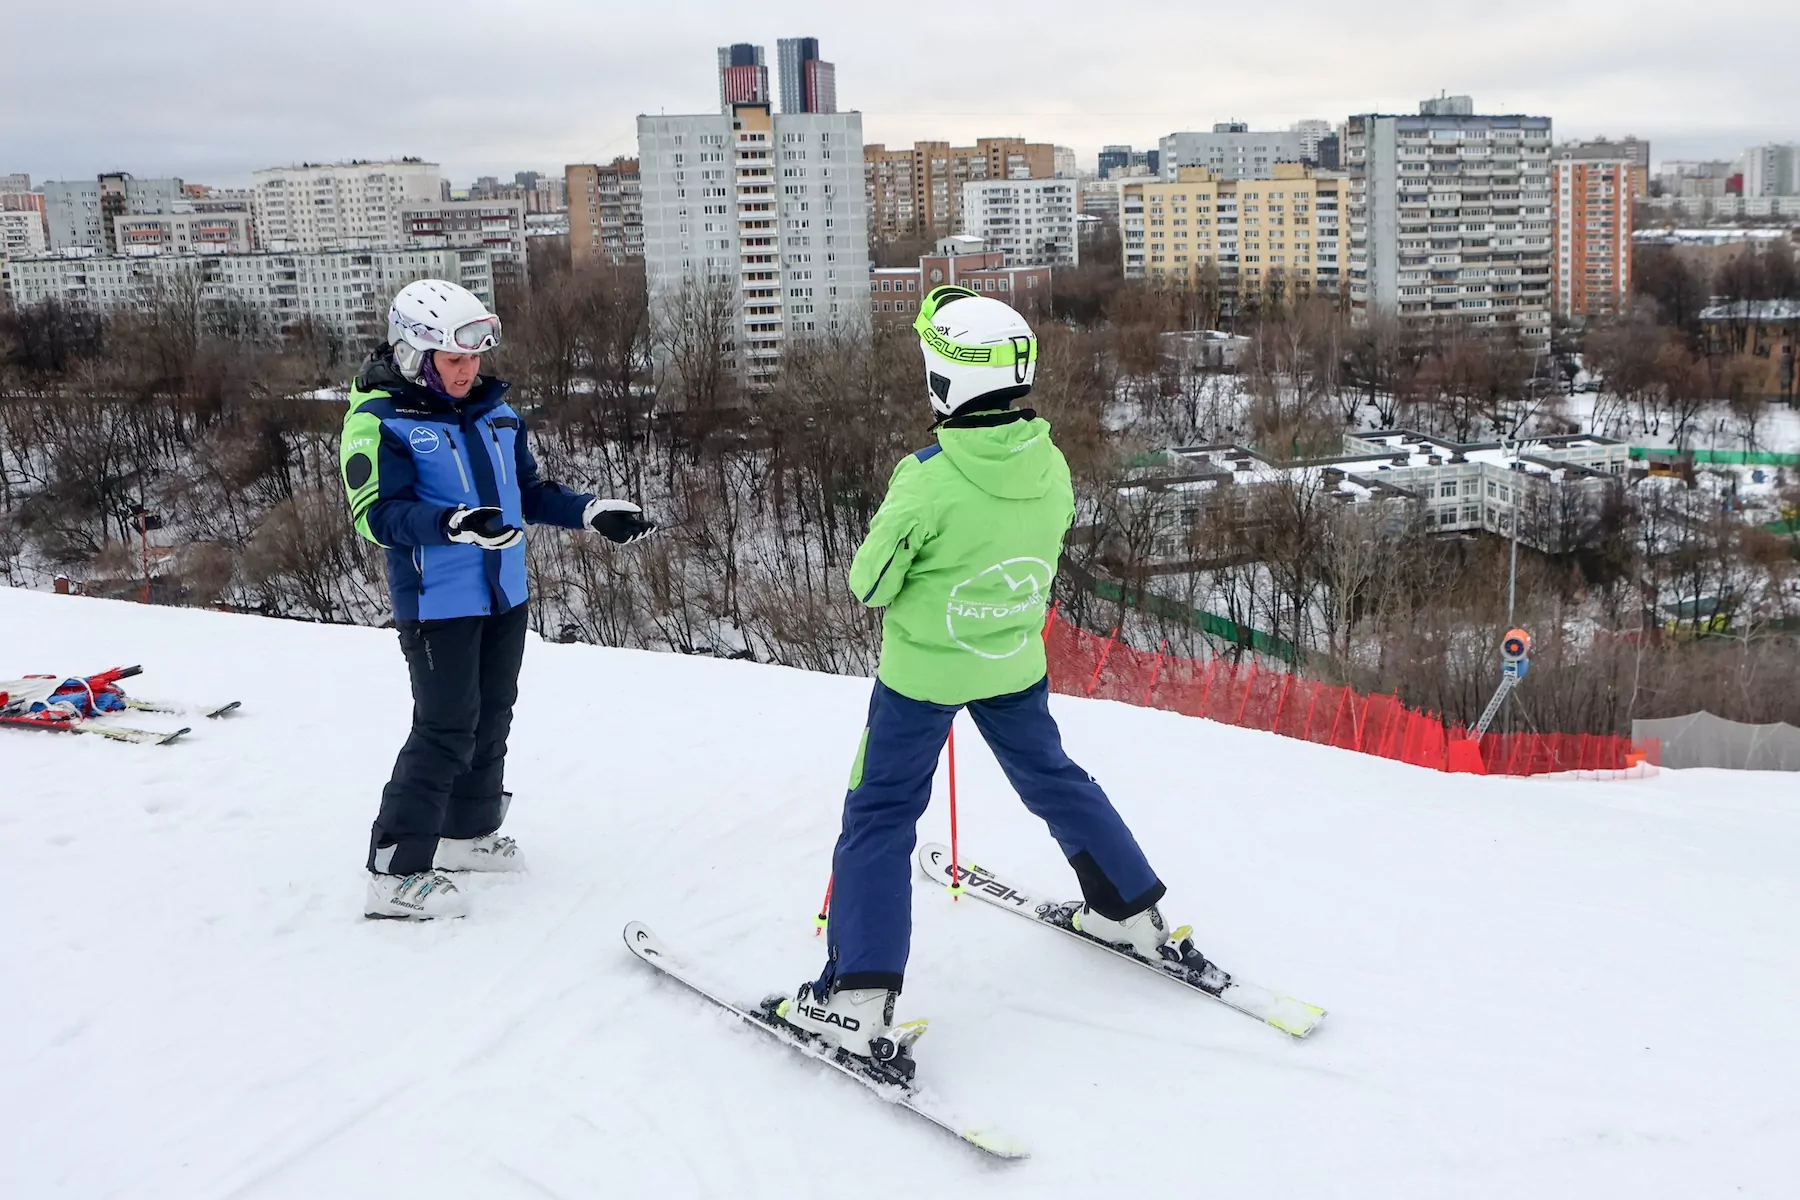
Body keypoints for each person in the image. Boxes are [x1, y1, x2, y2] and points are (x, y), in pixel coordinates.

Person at [779, 286, 1186, 1071]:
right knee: (1054, 777)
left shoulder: (927, 476)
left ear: (945, 380)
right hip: (1011, 661)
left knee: (881, 814)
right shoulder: (1051, 461)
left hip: (922, 676)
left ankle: (856, 1000)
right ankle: (1129, 910)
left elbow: (870, 584)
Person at [340, 279, 655, 920]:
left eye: (473, 358)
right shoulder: (380, 421)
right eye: (453, 360)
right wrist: (454, 524)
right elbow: (377, 516)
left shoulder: (496, 414)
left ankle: (464, 833)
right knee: (444, 728)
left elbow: (528, 493)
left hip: (504, 595)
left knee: (491, 716)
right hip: (438, 602)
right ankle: (393, 870)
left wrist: (592, 512)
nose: (467, 371)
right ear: (413, 356)